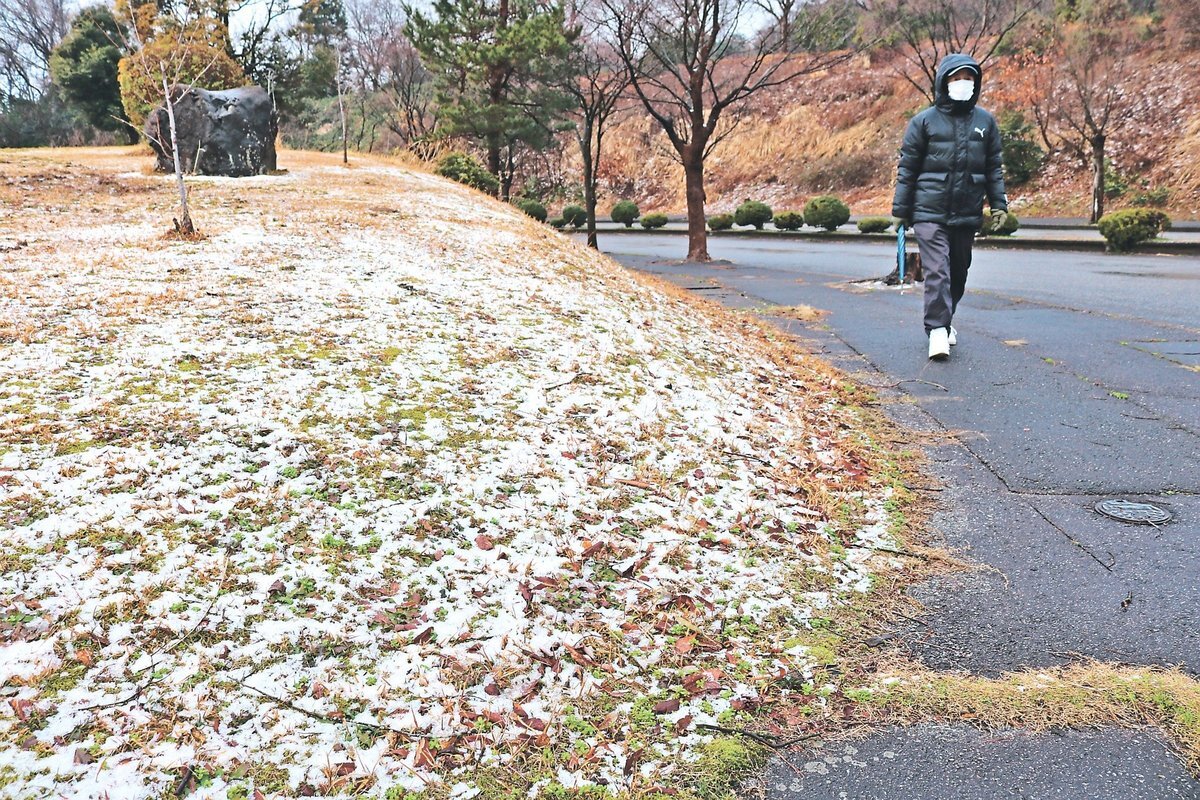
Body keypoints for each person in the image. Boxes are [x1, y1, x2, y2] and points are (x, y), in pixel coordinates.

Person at [892, 53, 1008, 360]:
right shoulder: (923, 122)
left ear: (976, 83)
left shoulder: (985, 122)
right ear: (944, 82)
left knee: (958, 272)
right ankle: (937, 331)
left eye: (968, 79)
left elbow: (994, 167)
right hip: (929, 210)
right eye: (956, 78)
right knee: (938, 271)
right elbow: (908, 168)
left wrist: (999, 204)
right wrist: (900, 211)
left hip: (967, 210)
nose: (962, 84)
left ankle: (945, 320)